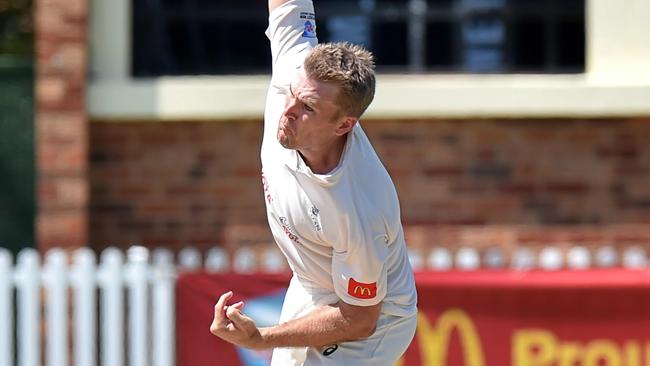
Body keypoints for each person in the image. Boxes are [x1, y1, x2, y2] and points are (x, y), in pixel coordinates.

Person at [210, 0, 418, 364]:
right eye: (292, 93)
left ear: (343, 125)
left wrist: (261, 338)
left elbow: (360, 318)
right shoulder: (298, 72)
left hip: (373, 324)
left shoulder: (358, 209)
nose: (286, 110)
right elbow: (289, 5)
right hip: (315, 286)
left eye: (307, 108)